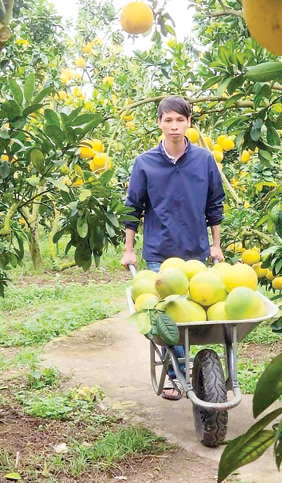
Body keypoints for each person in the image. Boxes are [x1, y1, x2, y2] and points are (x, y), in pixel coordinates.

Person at [121, 96, 225, 399]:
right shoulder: (144, 163)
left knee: (191, 316)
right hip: (158, 255)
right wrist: (129, 250)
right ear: (159, 123)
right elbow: (132, 209)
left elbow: (214, 206)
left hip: (195, 252)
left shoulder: (205, 160)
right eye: (168, 120)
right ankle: (177, 370)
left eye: (180, 120)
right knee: (166, 320)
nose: (175, 126)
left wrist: (216, 246)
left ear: (189, 123)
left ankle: (190, 369)